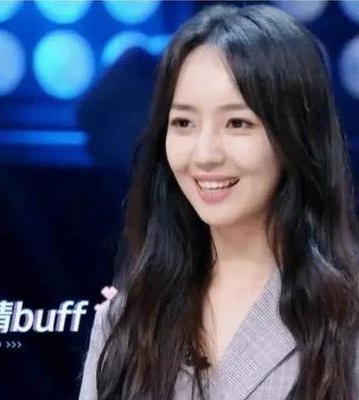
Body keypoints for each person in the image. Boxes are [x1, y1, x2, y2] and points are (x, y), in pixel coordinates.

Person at [78, 4, 359, 400]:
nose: (205, 154)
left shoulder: (345, 321)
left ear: (295, 136)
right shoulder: (125, 321)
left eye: (237, 123)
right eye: (184, 123)